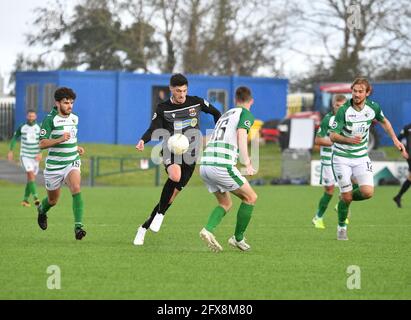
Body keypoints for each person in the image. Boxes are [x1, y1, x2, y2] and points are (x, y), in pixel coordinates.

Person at [133, 73, 221, 245]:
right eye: (178, 91)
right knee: (175, 176)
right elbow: (154, 127)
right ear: (171, 89)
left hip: (191, 152)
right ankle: (159, 215)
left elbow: (216, 113)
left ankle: (143, 228)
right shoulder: (163, 108)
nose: (182, 95)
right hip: (170, 149)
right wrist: (144, 139)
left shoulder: (196, 102)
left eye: (184, 91)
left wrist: (217, 134)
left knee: (170, 198)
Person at [330, 78, 408, 240]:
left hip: (361, 156)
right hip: (341, 157)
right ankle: (342, 227)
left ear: (367, 93)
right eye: (354, 91)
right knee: (348, 196)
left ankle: (344, 198)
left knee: (367, 192)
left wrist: (395, 139)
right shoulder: (344, 110)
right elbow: (333, 136)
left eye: (360, 91)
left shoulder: (373, 107)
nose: (356, 94)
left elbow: (384, 121)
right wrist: (348, 140)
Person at [199, 86, 258, 252]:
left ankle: (208, 229)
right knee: (251, 197)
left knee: (225, 203)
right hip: (221, 165)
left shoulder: (226, 115)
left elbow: (212, 137)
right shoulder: (245, 114)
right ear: (251, 101)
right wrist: (246, 162)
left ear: (235, 100)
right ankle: (237, 238)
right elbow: (241, 134)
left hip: (205, 165)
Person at [36, 87, 87, 240]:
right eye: (66, 103)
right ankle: (41, 211)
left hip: (71, 161)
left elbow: (70, 138)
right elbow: (42, 143)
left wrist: (75, 147)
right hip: (54, 166)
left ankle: (78, 227)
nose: (70, 106)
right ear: (57, 103)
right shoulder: (49, 119)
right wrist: (59, 140)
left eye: (71, 103)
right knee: (52, 201)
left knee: (76, 187)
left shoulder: (75, 118)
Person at [312, 95, 347, 229]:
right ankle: (318, 217)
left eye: (342, 105)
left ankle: (340, 207)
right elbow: (318, 140)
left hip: (343, 158)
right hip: (328, 160)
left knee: (354, 183)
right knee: (330, 191)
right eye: (337, 105)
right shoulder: (328, 119)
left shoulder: (349, 118)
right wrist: (334, 142)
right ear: (333, 105)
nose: (339, 108)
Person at [7, 109, 42, 207]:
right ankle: (36, 198)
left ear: (35, 117)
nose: (31, 118)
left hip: (35, 156)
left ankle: (25, 200)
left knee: (31, 179)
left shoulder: (39, 127)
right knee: (30, 175)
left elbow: (43, 141)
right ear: (27, 116)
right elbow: (14, 138)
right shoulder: (22, 127)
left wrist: (40, 153)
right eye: (29, 116)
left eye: (33, 116)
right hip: (25, 155)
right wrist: (10, 151)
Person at [393, 122, 411, 208]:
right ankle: (398, 196)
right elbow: (397, 139)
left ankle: (398, 196)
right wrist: (402, 151)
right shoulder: (407, 128)